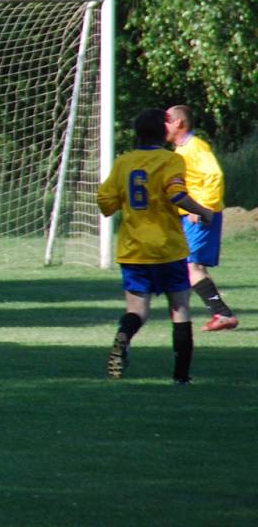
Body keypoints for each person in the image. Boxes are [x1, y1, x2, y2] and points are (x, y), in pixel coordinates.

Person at [98, 108, 213, 384]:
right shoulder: (170, 160)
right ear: (163, 134)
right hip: (167, 248)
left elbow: (105, 203)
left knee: (137, 310)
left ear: (137, 134)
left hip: (134, 250)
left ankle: (123, 337)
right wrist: (204, 212)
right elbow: (177, 195)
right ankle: (181, 377)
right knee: (180, 309)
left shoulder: (124, 162)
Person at [165, 105, 238, 331]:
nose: (162, 126)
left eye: (166, 121)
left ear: (179, 123)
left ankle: (222, 313)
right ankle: (219, 314)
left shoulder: (196, 147)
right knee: (192, 267)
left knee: (190, 267)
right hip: (191, 216)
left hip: (200, 215)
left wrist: (202, 207)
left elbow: (214, 175)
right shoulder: (182, 151)